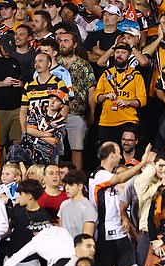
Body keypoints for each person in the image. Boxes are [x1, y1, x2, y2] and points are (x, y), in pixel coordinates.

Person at [90, 142, 151, 266]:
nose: (120, 156)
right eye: (118, 153)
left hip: (121, 234)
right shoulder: (98, 175)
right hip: (105, 235)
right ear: (111, 155)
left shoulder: (109, 175)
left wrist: (124, 216)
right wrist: (142, 163)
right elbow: (120, 179)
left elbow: (119, 202)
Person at [57, 31, 96, 170]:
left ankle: (76, 180)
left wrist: (91, 112)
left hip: (76, 113)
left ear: (74, 44)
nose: (62, 43)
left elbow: (91, 90)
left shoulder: (84, 65)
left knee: (77, 148)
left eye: (66, 41)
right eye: (60, 41)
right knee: (55, 150)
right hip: (55, 114)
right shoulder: (54, 63)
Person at [95, 44, 147, 144]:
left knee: (127, 154)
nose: (120, 55)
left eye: (123, 53)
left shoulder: (136, 75)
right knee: (107, 156)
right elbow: (96, 97)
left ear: (129, 54)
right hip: (106, 122)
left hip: (127, 122)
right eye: (117, 52)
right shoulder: (106, 74)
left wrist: (127, 102)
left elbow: (143, 100)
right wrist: (105, 96)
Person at [59, 169, 97, 238]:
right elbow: (60, 229)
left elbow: (87, 237)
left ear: (80, 186)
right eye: (66, 184)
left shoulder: (88, 207)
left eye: (71, 185)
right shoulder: (63, 204)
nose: (67, 188)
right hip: (63, 246)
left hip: (78, 247)